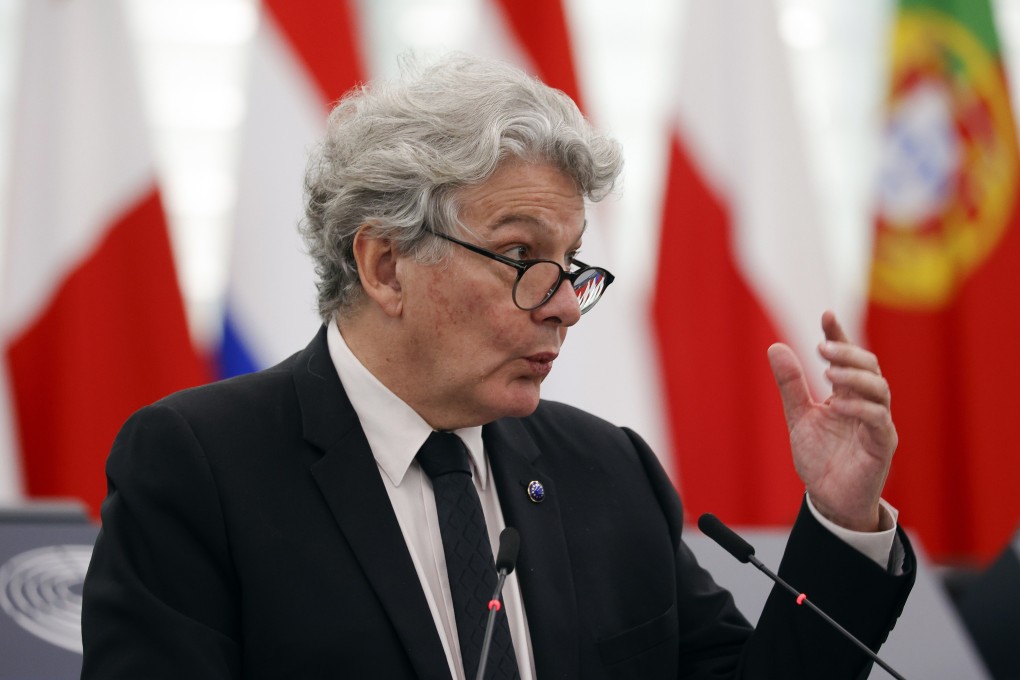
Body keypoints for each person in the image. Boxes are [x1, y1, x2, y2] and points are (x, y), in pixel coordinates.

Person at [81, 54, 914, 679]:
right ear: (384, 266)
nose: (562, 304)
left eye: (573, 263)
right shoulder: (199, 467)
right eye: (522, 255)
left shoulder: (608, 471)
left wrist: (842, 518)